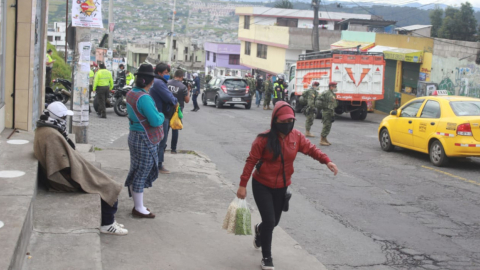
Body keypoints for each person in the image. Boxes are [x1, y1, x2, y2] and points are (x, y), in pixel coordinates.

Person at [236, 101, 338, 270]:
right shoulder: (263, 139)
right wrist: (242, 185)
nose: (286, 125)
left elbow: (312, 149)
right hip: (262, 184)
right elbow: (251, 161)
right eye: (282, 122)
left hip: (282, 186)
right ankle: (267, 258)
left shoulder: (296, 137)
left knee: (273, 222)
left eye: (289, 121)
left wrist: (327, 161)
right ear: (274, 121)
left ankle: (260, 230)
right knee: (270, 221)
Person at [34, 102, 128, 235]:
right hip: (63, 178)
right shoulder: (51, 135)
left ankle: (109, 220)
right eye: (64, 117)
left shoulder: (47, 127)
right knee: (108, 185)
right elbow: (61, 165)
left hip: (65, 172)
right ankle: (108, 224)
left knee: (104, 179)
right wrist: (82, 178)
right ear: (58, 117)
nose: (65, 120)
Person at [125, 64, 165, 218]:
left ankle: (138, 204)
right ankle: (138, 207)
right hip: (145, 138)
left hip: (134, 135)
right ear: (150, 81)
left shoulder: (131, 93)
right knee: (143, 171)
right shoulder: (145, 98)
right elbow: (155, 121)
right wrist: (161, 115)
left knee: (137, 169)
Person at [150, 63, 178, 174]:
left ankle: (156, 163)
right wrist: (175, 102)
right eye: (166, 73)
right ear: (159, 73)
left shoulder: (156, 81)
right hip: (161, 115)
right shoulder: (159, 83)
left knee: (159, 140)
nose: (167, 75)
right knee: (162, 140)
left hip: (158, 114)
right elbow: (169, 97)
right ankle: (158, 164)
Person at [167, 69, 191, 154]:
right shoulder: (183, 87)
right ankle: (173, 149)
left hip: (166, 108)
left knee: (165, 128)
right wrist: (189, 90)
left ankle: (162, 147)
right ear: (182, 77)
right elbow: (187, 100)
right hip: (177, 110)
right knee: (175, 129)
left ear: (174, 75)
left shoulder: (167, 83)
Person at [319, 81, 338, 146]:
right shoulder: (327, 93)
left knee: (329, 126)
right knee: (326, 125)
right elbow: (320, 100)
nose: (335, 88)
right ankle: (322, 140)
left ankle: (325, 138)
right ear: (331, 87)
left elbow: (332, 104)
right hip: (326, 112)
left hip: (330, 112)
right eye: (335, 86)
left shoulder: (332, 93)